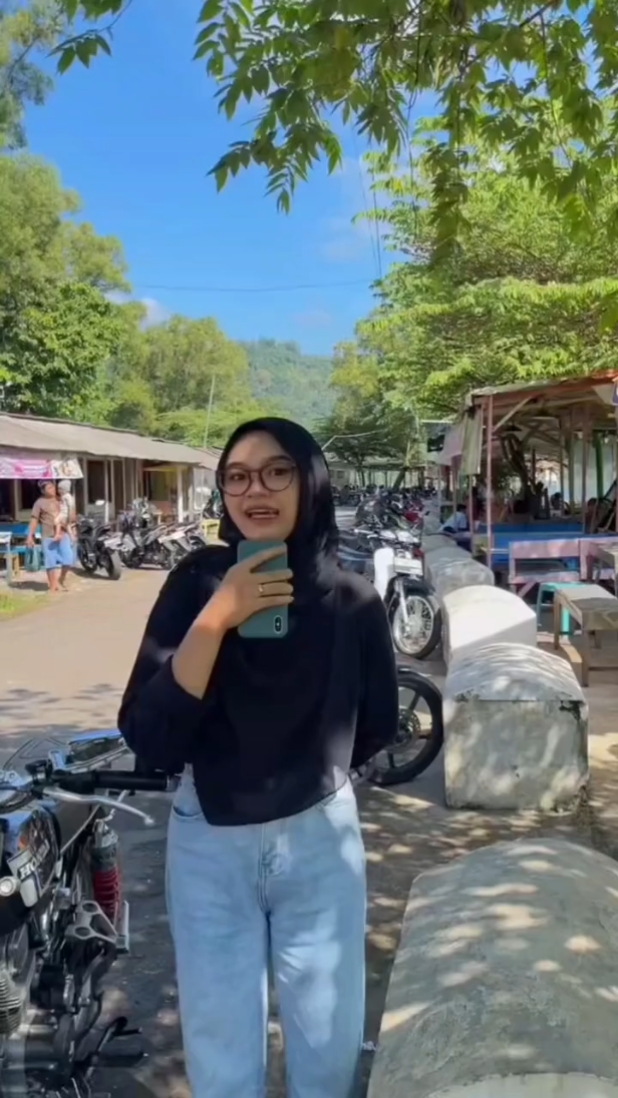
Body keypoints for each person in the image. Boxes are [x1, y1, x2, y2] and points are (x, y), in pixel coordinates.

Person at [118, 417, 399, 1098]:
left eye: (276, 472)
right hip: (210, 839)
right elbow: (150, 735)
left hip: (319, 838)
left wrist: (314, 771)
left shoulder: (353, 602)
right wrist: (218, 617)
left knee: (327, 1047)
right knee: (221, 1053)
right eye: (237, 477)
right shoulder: (195, 584)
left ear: (311, 482)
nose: (255, 491)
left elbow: (376, 726)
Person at [26, 481, 74, 592]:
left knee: (68, 559)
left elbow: (70, 513)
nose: (52, 489)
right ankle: (53, 585)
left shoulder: (61, 499)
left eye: (53, 487)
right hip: (48, 536)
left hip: (63, 534)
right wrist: (30, 536)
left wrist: (72, 526)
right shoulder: (39, 503)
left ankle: (61, 579)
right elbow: (34, 519)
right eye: (49, 488)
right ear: (43, 491)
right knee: (50, 562)